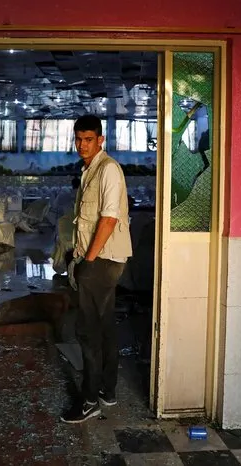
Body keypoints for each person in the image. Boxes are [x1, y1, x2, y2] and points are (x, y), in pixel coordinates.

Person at [61, 115, 132, 424]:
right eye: (78, 139)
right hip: (99, 259)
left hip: (101, 261)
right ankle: (108, 391)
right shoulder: (90, 170)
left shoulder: (109, 170)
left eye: (88, 139)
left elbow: (109, 219)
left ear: (100, 140)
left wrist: (87, 261)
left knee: (87, 331)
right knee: (103, 325)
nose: (82, 145)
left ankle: (89, 401)